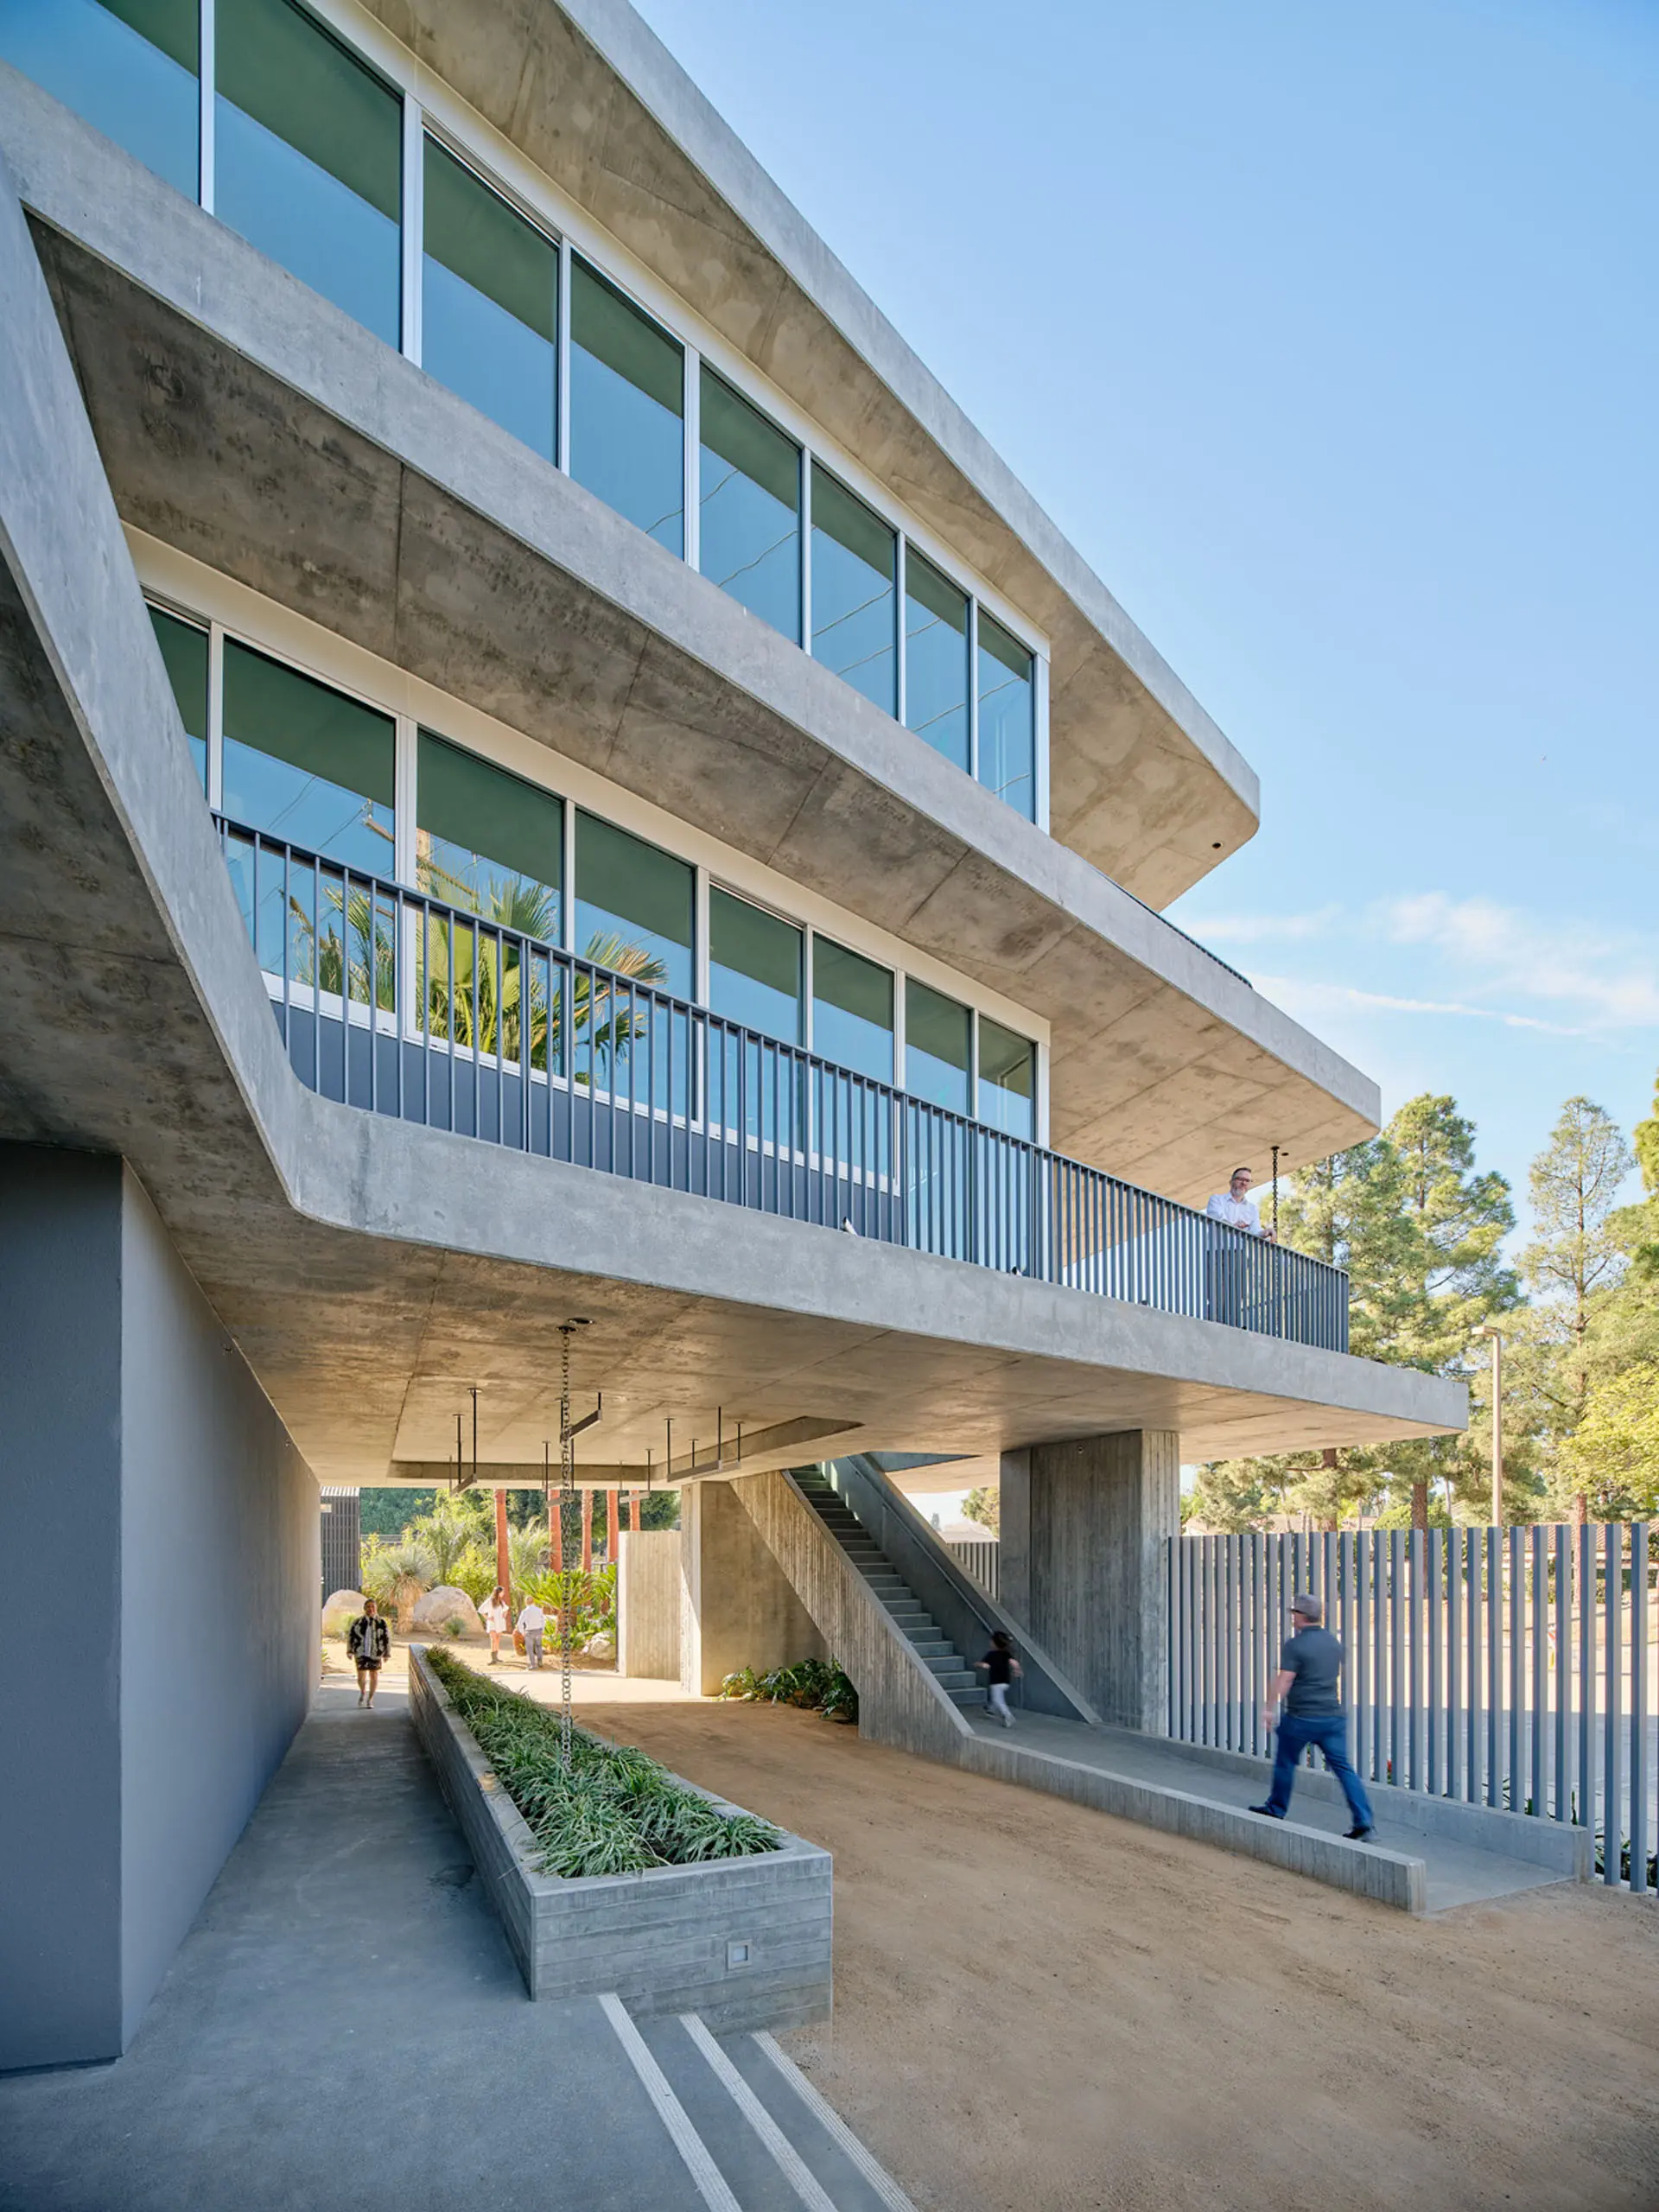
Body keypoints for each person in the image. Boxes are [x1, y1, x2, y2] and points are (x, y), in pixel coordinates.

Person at [1249, 1592, 1375, 1840]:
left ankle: (1276, 1808)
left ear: (1301, 1616)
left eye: (1294, 1613)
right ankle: (1364, 1821)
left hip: (1301, 1718)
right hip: (1332, 1717)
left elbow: (1285, 1678)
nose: (1292, 1617)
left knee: (1285, 1762)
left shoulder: (1295, 1645)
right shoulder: (1334, 1644)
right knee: (1344, 1769)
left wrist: (1268, 1707)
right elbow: (1339, 1674)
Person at [1204, 1164, 1274, 1325]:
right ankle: (1215, 1323)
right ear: (1231, 1182)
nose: (1244, 1183)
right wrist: (1235, 1226)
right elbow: (1217, 1218)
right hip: (1216, 1251)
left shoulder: (1251, 1208)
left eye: (1247, 1181)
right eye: (1240, 1179)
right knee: (1215, 1292)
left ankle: (1233, 1324)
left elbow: (1255, 1230)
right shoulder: (1217, 1200)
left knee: (1236, 1292)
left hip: (1238, 1253)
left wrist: (1267, 1232)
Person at [346, 1598, 391, 1708]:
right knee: (361, 1677)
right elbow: (350, 1636)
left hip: (376, 1653)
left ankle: (370, 1699)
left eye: (372, 1607)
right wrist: (349, 1650)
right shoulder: (358, 1622)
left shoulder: (381, 1622)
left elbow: (387, 1638)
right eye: (368, 1607)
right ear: (365, 1608)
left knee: (374, 1675)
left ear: (376, 1608)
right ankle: (362, 1692)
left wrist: (387, 1653)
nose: (370, 1609)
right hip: (361, 1652)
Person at [979, 1630, 1021, 1728]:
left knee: (998, 1699)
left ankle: (1008, 1716)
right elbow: (1014, 1662)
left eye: (991, 1641)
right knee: (996, 1697)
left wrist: (979, 1664)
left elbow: (985, 1665)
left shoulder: (991, 1654)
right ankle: (991, 1709)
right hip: (1005, 1681)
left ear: (994, 1643)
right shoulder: (1006, 1654)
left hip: (996, 1681)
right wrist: (1017, 1670)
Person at [480, 1585, 510, 1665]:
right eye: (502, 1592)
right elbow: (481, 1610)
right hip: (493, 1623)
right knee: (493, 1640)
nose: (503, 1593)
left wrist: (504, 1615)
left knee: (498, 1639)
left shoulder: (501, 1601)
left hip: (500, 1622)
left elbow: (507, 1609)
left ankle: (496, 1657)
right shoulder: (490, 1600)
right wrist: (488, 1618)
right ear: (498, 1592)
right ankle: (493, 1658)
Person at [516, 1595, 547, 1669]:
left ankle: (533, 1665)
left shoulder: (525, 1612)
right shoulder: (539, 1610)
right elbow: (543, 1621)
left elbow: (520, 1623)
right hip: (538, 1630)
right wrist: (542, 1630)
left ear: (526, 1602)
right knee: (539, 1647)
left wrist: (522, 1632)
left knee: (529, 1648)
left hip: (529, 1632)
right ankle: (540, 1662)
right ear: (533, 1602)